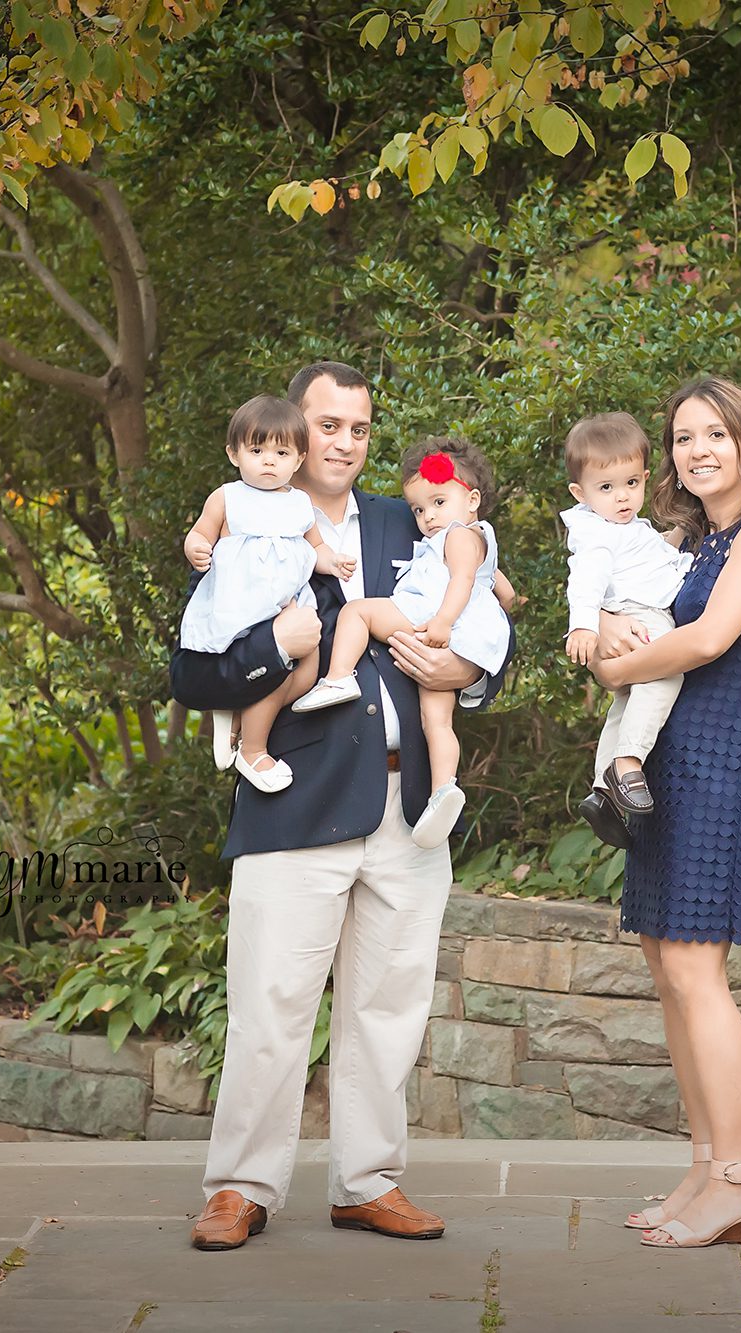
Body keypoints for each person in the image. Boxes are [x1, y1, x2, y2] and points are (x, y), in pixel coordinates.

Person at [168, 361, 514, 1252]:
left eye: (359, 428)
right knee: (269, 1003)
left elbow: (478, 616)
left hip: (408, 802)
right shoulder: (248, 516)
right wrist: (270, 648)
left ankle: (367, 1181)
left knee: (389, 1008)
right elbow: (191, 670)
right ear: (292, 426)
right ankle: (242, 1186)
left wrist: (469, 674)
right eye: (328, 425)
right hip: (294, 803)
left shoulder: (417, 518)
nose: (344, 443)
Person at [586, 375, 741, 1250]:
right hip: (669, 755)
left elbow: (710, 640)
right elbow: (631, 614)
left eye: (715, 433)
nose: (697, 449)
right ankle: (706, 1165)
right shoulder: (687, 538)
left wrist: (614, 669)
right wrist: (606, 632)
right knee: (666, 964)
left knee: (695, 968)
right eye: (683, 437)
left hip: (727, 754)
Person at [293, 438, 512, 848]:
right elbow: (502, 589)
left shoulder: (458, 537)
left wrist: (446, 623)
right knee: (437, 723)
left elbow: (463, 580)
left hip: (430, 620)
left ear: (472, 500)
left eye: (438, 503)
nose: (427, 517)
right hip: (450, 634)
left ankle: (339, 676)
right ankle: (443, 791)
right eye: (419, 509)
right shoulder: (473, 537)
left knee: (357, 612)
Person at [176, 394, 356, 792]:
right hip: (242, 608)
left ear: (298, 458)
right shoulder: (227, 497)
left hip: (289, 608)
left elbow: (314, 547)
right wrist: (197, 547)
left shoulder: (300, 503)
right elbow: (200, 533)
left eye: (281, 452)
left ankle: (242, 716)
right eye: (257, 450)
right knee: (271, 667)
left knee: (306, 673)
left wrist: (333, 561)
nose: (269, 461)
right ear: (234, 454)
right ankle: (254, 750)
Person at [556, 411, 694, 843]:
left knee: (626, 704)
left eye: (631, 484)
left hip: (636, 611)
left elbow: (653, 555)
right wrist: (583, 627)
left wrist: (678, 536)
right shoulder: (597, 536)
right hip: (641, 616)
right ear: (580, 493)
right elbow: (586, 582)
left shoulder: (625, 528)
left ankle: (602, 791)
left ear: (645, 478)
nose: (622, 497)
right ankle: (629, 763)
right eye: (606, 487)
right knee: (666, 674)